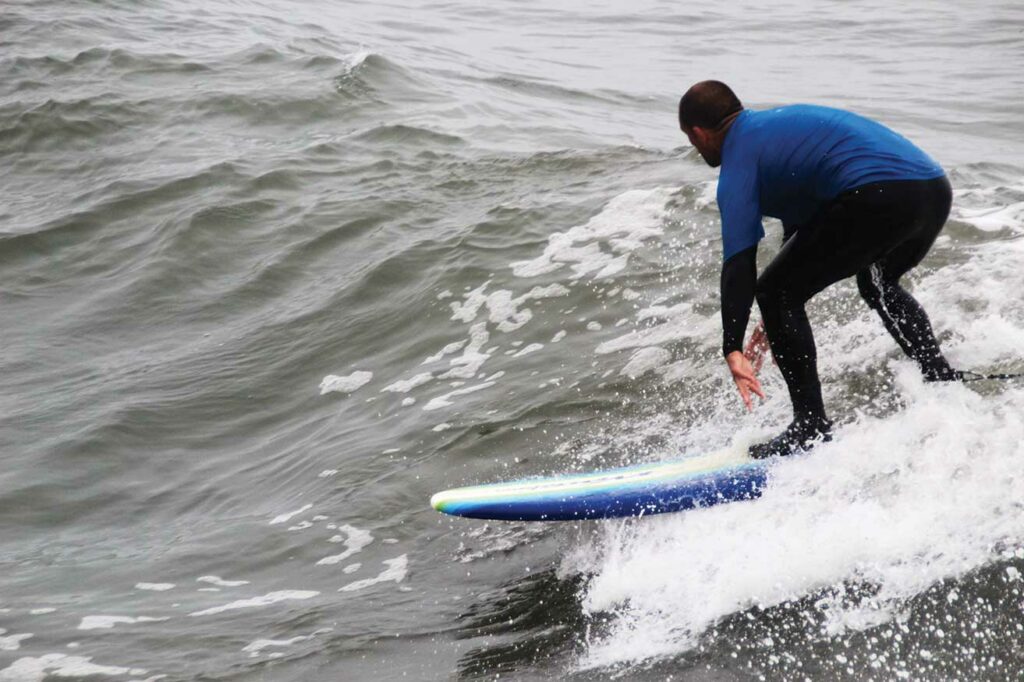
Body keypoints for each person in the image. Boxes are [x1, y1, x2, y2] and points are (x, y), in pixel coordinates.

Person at [678, 80, 961, 459]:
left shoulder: (739, 161)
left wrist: (732, 346)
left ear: (699, 133)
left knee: (775, 292)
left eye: (692, 140)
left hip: (878, 194)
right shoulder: (778, 130)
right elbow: (809, 231)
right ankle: (939, 375)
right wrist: (774, 318)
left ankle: (810, 425)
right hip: (931, 190)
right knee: (877, 283)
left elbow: (739, 262)